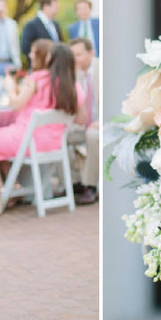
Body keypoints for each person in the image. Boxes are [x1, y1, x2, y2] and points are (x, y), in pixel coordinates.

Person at [0, 42, 86, 213]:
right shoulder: (75, 88)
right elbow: (81, 120)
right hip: (54, 144)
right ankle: (15, 187)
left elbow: (16, 105)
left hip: (26, 141)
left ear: (51, 59)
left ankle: (1, 192)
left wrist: (10, 88)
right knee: (1, 140)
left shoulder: (38, 79)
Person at [69, 38, 99, 205]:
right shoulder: (72, 74)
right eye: (72, 55)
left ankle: (90, 186)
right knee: (58, 136)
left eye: (79, 55)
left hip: (100, 124)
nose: (75, 59)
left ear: (91, 53)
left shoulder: (103, 69)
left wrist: (101, 121)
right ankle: (75, 183)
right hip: (80, 125)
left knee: (94, 136)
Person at [20, 0, 63, 65]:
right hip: (40, 66)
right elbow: (25, 48)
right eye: (55, 7)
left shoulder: (56, 25)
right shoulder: (31, 25)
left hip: (56, 66)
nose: (57, 9)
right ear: (46, 7)